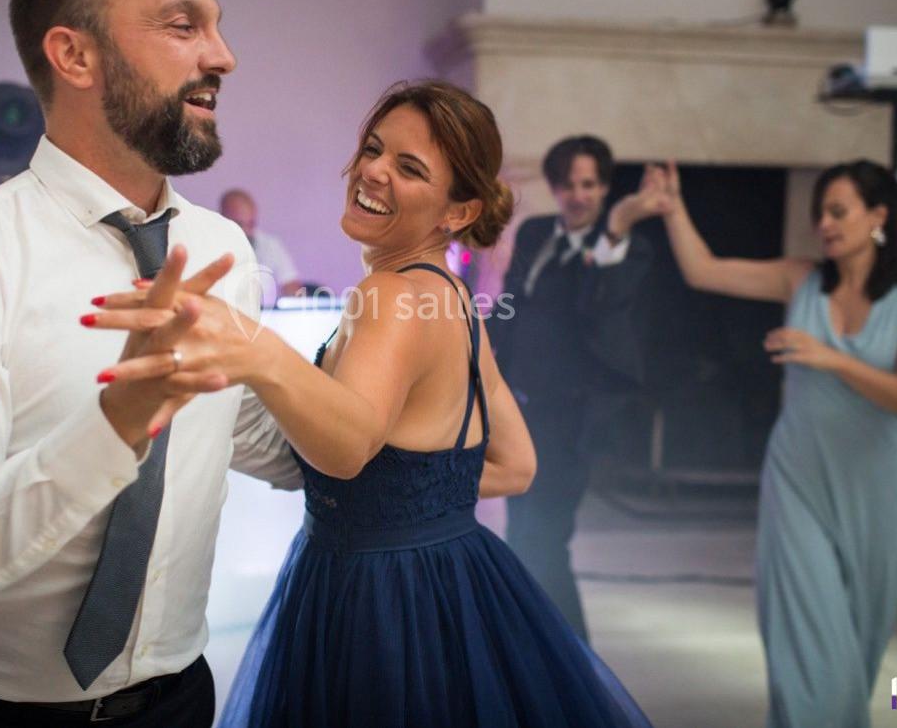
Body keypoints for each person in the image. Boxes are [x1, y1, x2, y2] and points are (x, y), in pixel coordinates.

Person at [91, 81, 653, 727]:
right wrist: (413, 499)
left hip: (379, 601)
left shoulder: (387, 294)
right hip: (455, 580)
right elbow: (518, 462)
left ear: (458, 212)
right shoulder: (456, 300)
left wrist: (253, 348)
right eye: (374, 148)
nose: (373, 171)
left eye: (409, 168)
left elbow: (347, 452)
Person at [0, 0, 300, 727]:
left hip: (178, 699)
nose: (223, 55)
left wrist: (393, 418)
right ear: (74, 56)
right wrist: (112, 427)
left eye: (215, 25)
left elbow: (237, 434)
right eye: (184, 26)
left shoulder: (222, 250)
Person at [628, 159, 897, 727]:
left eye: (838, 211)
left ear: (879, 216)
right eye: (820, 212)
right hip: (797, 475)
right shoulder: (801, 279)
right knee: (806, 633)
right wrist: (674, 210)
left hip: (875, 486)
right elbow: (705, 272)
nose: (824, 223)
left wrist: (830, 358)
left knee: (858, 645)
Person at [486, 134, 654, 640]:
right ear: (556, 188)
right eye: (568, 184)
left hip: (574, 418)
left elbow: (597, 312)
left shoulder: (627, 249)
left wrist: (615, 234)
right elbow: (513, 306)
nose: (579, 195)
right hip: (522, 408)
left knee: (546, 537)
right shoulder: (537, 233)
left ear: (604, 188)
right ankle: (530, 644)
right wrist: (467, 339)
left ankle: (572, 657)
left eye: (589, 184)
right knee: (520, 532)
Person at [220, 187, 303, 302]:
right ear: (222, 218)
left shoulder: (271, 245)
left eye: (251, 224)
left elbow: (291, 285)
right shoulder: (210, 246)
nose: (246, 231)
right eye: (239, 224)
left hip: (265, 316)